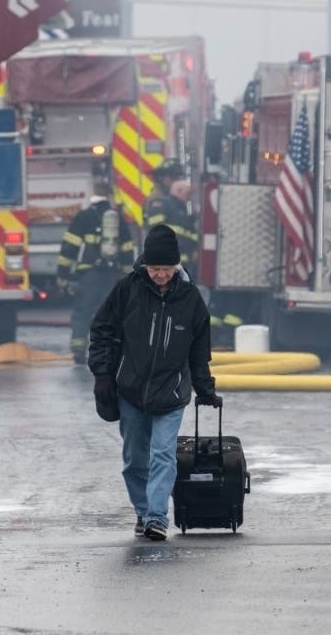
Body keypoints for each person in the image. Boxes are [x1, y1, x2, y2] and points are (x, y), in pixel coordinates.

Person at [88, 224, 221, 541]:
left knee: (163, 454)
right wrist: (103, 373)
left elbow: (199, 351)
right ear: (144, 264)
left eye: (166, 269)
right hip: (130, 392)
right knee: (135, 459)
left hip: (172, 394)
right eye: (154, 269)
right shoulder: (127, 289)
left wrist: (205, 389)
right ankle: (143, 510)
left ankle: (157, 517)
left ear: (176, 266)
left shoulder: (191, 300)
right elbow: (101, 330)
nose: (160, 275)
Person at [56, 181, 135, 365]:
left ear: (93, 195)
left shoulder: (83, 217)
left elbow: (70, 247)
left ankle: (78, 350)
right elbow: (127, 249)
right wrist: (127, 276)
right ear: (109, 196)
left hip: (89, 274)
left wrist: (63, 273)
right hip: (112, 274)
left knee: (83, 312)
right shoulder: (119, 219)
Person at [142, 162, 199, 275]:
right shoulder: (158, 201)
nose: (177, 180)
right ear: (164, 179)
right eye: (174, 177)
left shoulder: (173, 202)